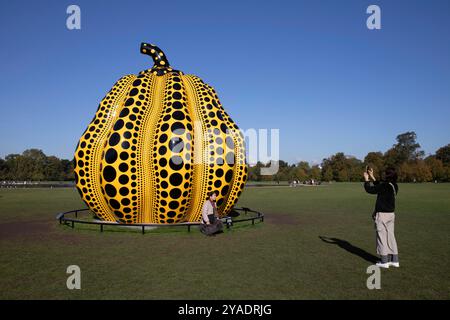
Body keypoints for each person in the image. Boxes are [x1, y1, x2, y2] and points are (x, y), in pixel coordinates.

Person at [363, 167, 400, 269]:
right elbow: (380, 186)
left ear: (387, 175)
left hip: (382, 215)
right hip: (391, 214)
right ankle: (394, 260)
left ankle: (384, 261)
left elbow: (370, 190)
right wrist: (372, 176)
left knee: (382, 236)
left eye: (385, 173)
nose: (383, 175)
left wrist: (366, 179)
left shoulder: (384, 186)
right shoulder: (394, 186)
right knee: (391, 236)